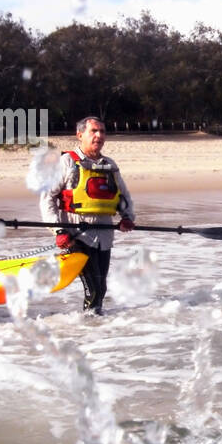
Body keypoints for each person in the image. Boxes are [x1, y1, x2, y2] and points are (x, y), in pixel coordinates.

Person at [41, 116, 135, 315]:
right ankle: (90, 327)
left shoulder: (110, 165)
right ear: (80, 135)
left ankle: (94, 329)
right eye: (93, 131)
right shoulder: (65, 163)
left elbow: (123, 196)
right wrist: (58, 230)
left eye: (102, 131)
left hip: (105, 236)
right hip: (76, 237)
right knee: (94, 290)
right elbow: (47, 199)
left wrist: (127, 217)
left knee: (101, 289)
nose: (99, 136)